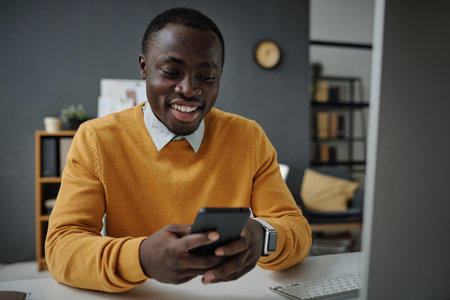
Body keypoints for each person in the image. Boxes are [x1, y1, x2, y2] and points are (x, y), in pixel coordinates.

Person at [45, 7, 312, 293]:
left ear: (220, 73)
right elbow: (62, 248)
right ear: (144, 67)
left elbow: (296, 229)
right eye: (172, 72)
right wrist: (141, 258)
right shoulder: (97, 139)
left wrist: (263, 235)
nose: (189, 89)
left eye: (206, 76)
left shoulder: (248, 137)